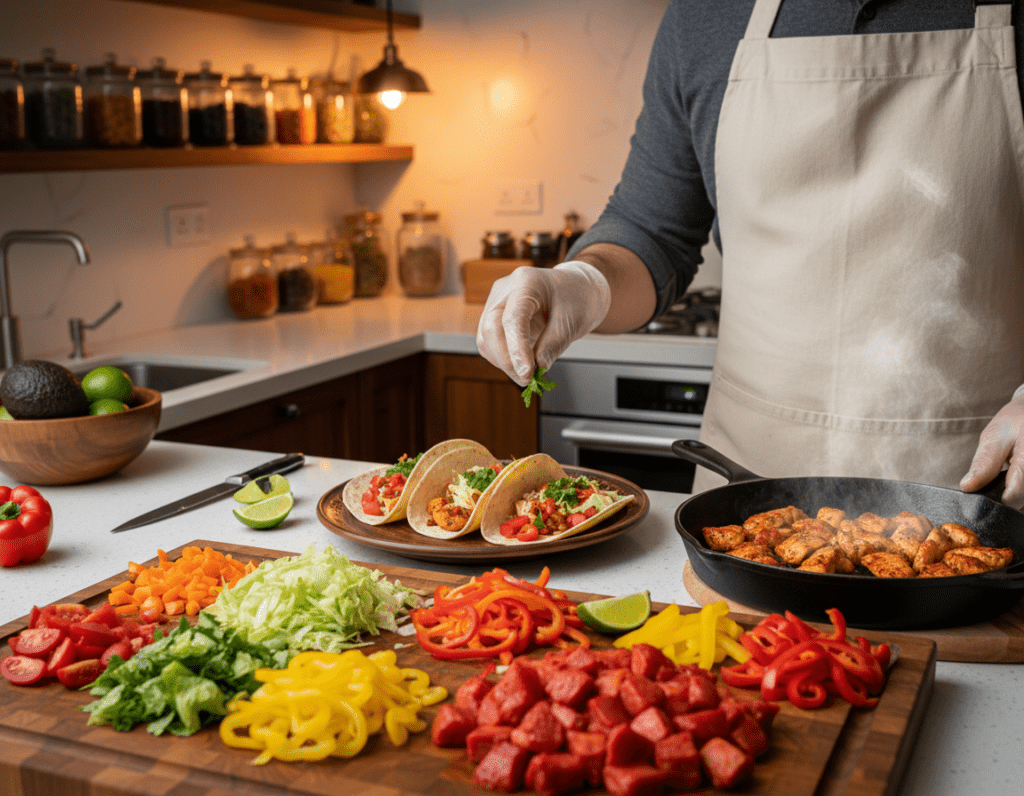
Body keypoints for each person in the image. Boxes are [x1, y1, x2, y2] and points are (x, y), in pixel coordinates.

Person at [476, 0, 1024, 506]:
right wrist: (581, 283)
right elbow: (653, 231)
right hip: (749, 482)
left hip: (973, 485)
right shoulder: (707, 15)